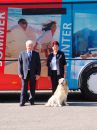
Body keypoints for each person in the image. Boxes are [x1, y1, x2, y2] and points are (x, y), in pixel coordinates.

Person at [18, 40, 41, 106]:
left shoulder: (36, 54)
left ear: (32, 46)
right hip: (24, 74)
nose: (29, 47)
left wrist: (38, 74)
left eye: (31, 46)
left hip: (33, 73)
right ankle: (22, 101)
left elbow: (38, 65)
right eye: (28, 46)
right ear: (26, 46)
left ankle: (31, 101)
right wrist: (20, 73)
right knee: (23, 88)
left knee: (32, 88)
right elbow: (20, 64)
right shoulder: (22, 53)